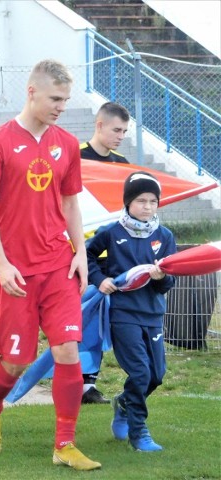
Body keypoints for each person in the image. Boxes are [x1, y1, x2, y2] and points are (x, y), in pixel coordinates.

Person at [0, 59, 101, 470]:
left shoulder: (65, 142)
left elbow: (69, 202)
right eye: (55, 98)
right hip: (13, 271)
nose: (61, 106)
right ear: (31, 92)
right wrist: (1, 261)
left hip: (58, 265)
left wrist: (80, 251)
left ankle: (64, 444)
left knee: (67, 350)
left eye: (65, 99)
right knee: (15, 360)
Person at [87, 171, 176, 452]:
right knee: (139, 373)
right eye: (140, 200)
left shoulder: (165, 236)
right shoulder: (111, 232)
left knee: (156, 375)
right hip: (122, 313)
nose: (147, 207)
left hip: (153, 313)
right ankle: (139, 435)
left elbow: (169, 281)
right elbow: (86, 256)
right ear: (127, 202)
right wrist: (100, 279)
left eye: (153, 201)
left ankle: (124, 402)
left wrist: (162, 278)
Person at [79, 101, 132, 405]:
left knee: (101, 320)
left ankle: (88, 384)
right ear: (99, 125)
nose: (120, 136)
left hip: (112, 256)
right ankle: (74, 378)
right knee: (80, 319)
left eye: (124, 131)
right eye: (116, 129)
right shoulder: (76, 157)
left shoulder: (122, 163)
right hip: (78, 254)